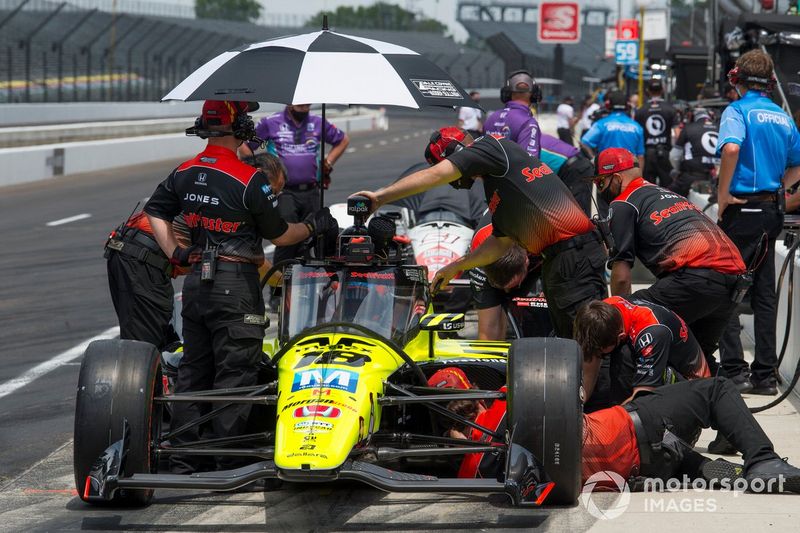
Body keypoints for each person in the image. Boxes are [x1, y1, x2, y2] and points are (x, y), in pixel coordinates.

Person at [143, 100, 338, 474]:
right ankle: (229, 464)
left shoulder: (183, 171)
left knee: (193, 373)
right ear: (241, 128)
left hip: (197, 282)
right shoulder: (250, 179)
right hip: (235, 284)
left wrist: (177, 253)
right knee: (236, 375)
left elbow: (156, 210)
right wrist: (314, 225)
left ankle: (185, 462)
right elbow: (281, 236)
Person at [352, 126, 606, 338]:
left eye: (452, 168)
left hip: (575, 255)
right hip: (561, 260)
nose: (455, 183)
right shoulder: (497, 187)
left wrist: (380, 197)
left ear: (456, 154)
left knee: (588, 339)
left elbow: (436, 175)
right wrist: (455, 267)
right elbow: (500, 242)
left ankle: (601, 399)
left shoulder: (491, 146)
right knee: (572, 340)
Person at [433, 367, 800, 493]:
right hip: (640, 428)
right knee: (714, 390)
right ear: (474, 397)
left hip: (639, 470)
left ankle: (721, 471)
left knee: (688, 460)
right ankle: (763, 462)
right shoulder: (507, 403)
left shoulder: (476, 476)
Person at [592, 147, 746, 373]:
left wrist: (621, 317)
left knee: (625, 321)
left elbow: (622, 275)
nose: (600, 189)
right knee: (698, 359)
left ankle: (626, 398)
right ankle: (720, 400)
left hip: (695, 279)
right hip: (733, 283)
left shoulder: (624, 203)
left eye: (600, 183)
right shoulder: (667, 194)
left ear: (615, 178)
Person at [715, 49, 800, 394]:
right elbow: (797, 164)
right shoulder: (783, 117)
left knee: (726, 292)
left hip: (741, 209)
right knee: (765, 294)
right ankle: (765, 375)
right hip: (771, 211)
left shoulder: (737, 111)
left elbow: (731, 149)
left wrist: (722, 195)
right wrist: (781, 187)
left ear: (738, 79)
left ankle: (734, 370)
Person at [243, 104, 349, 264]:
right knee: (287, 240)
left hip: (312, 190)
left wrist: (328, 162)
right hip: (284, 192)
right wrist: (255, 170)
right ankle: (279, 284)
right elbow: (245, 146)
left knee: (315, 238)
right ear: (290, 102)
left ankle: (309, 284)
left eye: (307, 102)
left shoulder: (318, 121)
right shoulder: (270, 122)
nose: (303, 105)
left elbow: (342, 140)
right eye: (299, 102)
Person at [574, 296, 710, 405]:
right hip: (662, 359)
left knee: (624, 355)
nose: (598, 355)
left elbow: (643, 394)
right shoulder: (605, 310)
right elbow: (590, 361)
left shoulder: (652, 334)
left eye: (599, 352)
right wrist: (578, 402)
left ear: (620, 336)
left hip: (693, 390)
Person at [104, 210, 183, 351]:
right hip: (141, 257)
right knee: (144, 347)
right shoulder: (226, 199)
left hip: (131, 247)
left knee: (158, 338)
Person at [468, 212, 552, 340]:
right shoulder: (480, 250)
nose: (507, 291)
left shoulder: (546, 232)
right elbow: (488, 329)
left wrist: (549, 287)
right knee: (490, 326)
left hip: (545, 246)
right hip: (490, 254)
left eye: (513, 284)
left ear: (526, 262)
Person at [483, 71, 543, 157]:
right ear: (534, 94)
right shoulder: (529, 123)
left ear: (507, 93)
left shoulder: (491, 118)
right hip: (513, 170)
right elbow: (528, 162)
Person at [581, 90, 645, 170]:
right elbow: (640, 156)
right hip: (629, 172)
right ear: (628, 106)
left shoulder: (601, 124)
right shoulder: (637, 127)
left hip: (606, 170)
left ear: (608, 105)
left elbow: (584, 143)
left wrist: (594, 160)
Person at [635, 79, 678, 187]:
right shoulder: (671, 109)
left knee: (648, 189)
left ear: (647, 91)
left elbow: (637, 134)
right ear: (662, 90)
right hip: (665, 153)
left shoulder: (640, 110)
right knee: (668, 189)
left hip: (647, 155)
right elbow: (677, 134)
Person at [539, 133, 594, 216]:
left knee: (578, 215)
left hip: (575, 169)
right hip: (572, 166)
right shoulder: (533, 135)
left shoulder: (525, 145)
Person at [669, 107, 719, 197]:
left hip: (692, 177)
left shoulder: (688, 128)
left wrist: (677, 170)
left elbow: (674, 156)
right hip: (719, 178)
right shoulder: (721, 128)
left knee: (669, 196)